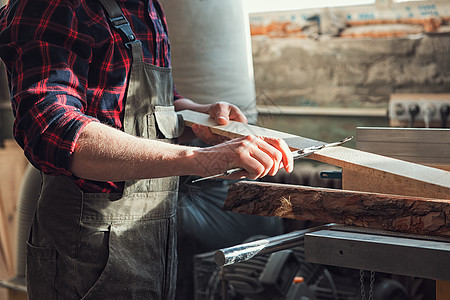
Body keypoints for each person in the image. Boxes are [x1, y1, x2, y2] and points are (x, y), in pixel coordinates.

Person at [0, 0, 293, 298]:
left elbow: (149, 101)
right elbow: (52, 129)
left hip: (153, 239)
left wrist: (197, 115)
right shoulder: (51, 5)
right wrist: (200, 159)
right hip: (85, 249)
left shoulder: (147, 6)